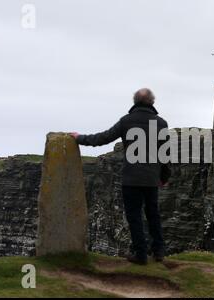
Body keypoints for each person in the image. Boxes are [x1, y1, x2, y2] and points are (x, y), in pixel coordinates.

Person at [70, 88, 170, 265]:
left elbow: (103, 138)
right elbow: (165, 154)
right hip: (151, 178)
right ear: (152, 102)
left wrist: (80, 138)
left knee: (134, 216)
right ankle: (159, 251)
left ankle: (140, 254)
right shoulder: (161, 123)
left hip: (131, 178)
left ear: (134, 102)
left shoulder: (127, 121)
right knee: (153, 214)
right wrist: (164, 177)